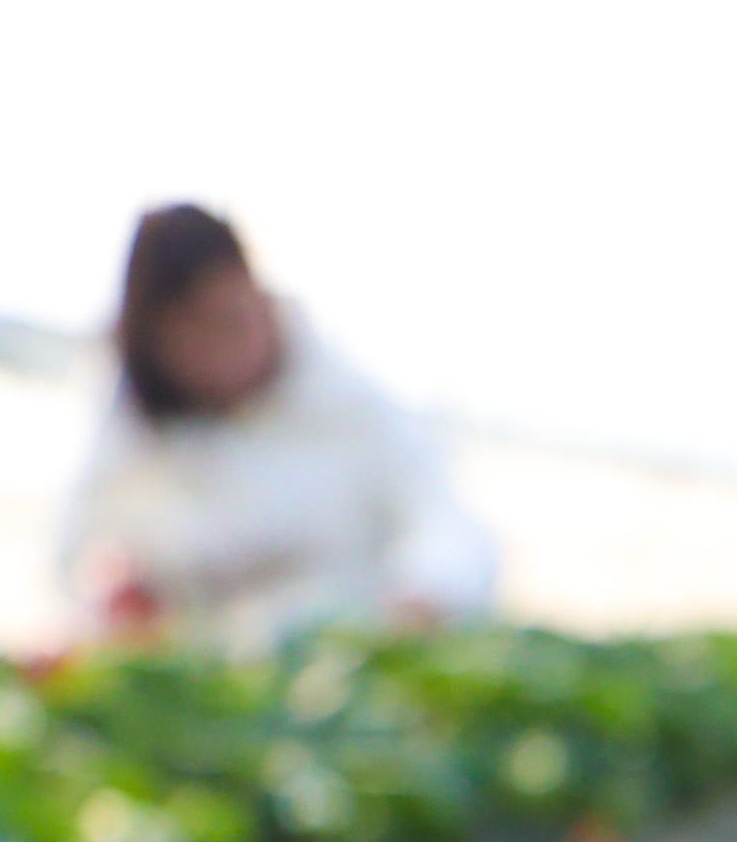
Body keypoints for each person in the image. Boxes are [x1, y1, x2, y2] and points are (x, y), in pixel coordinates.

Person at [56, 205, 499, 647]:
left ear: (257, 297)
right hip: (197, 685)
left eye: (227, 326)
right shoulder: (132, 425)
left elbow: (447, 525)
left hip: (338, 673)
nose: (214, 359)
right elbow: (78, 549)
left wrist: (423, 599)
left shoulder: (348, 404)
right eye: (186, 341)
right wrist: (108, 584)